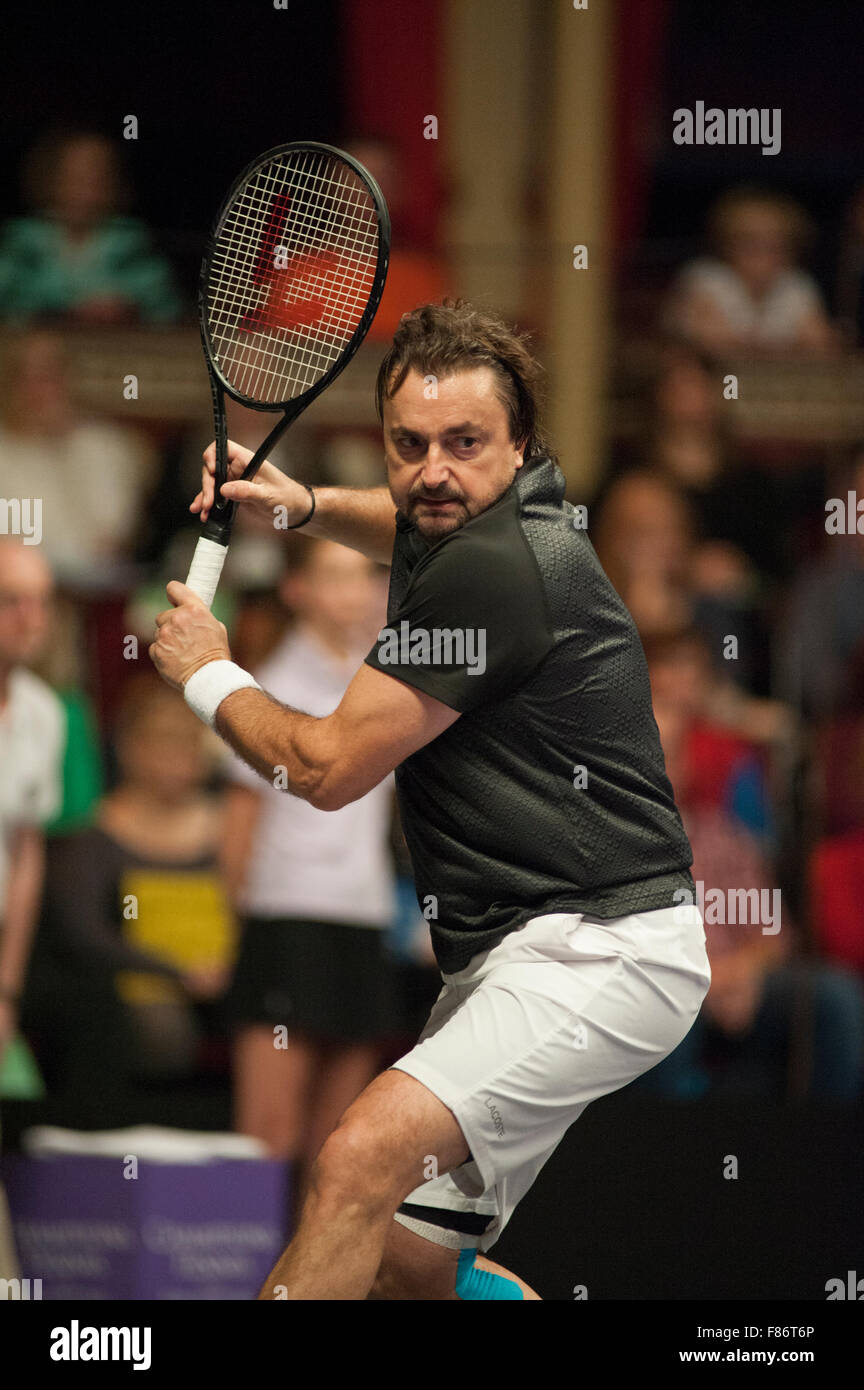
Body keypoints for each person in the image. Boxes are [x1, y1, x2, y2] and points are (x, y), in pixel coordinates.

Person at [150, 299, 710, 1302]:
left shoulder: (489, 575)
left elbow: (323, 770)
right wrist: (305, 504)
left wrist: (207, 674)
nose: (433, 470)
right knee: (410, 1269)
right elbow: (405, 514)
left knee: (357, 1159)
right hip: (523, 948)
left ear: (521, 443)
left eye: (465, 443)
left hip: (599, 949)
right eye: (408, 444)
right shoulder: (493, 505)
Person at [221, 538, 398, 1205]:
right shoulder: (264, 688)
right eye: (335, 578)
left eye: (365, 577)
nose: (357, 595)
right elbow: (238, 829)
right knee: (268, 1137)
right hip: (285, 920)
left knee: (337, 1148)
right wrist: (241, 927)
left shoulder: (382, 682)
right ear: (296, 590)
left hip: (363, 918)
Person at [0, 539, 64, 1279]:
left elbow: (25, 859)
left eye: (42, 601)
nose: (31, 618)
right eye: (12, 599)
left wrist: (8, 989)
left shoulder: (46, 713)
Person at [0, 129, 182, 325]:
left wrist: (128, 306)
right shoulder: (22, 239)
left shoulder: (132, 241)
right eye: (76, 178)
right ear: (49, 179)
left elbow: (167, 307)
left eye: (98, 179)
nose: (87, 192)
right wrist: (64, 309)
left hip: (115, 348)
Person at [663, 186, 836, 357]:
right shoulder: (705, 277)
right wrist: (784, 347)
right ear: (726, 244)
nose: (763, 253)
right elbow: (711, 343)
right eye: (751, 243)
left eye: (775, 244)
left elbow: (821, 344)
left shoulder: (795, 284)